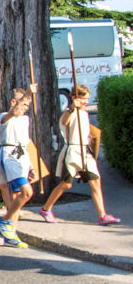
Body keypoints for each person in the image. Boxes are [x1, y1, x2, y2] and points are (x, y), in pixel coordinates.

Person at [39, 84, 120, 226]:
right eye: (83, 99)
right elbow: (64, 122)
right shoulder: (69, 112)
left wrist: (90, 137)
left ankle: (102, 215)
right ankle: (46, 209)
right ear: (75, 98)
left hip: (85, 152)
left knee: (95, 182)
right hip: (73, 152)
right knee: (66, 184)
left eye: (87, 99)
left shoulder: (84, 114)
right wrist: (72, 107)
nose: (85, 102)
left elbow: (83, 130)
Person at [0, 87, 36, 248]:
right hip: (10, 156)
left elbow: (25, 143)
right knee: (27, 192)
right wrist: (28, 93)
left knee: (17, 195)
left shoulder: (25, 120)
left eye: (27, 106)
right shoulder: (5, 117)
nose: (25, 109)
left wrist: (31, 166)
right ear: (14, 102)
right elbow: (14, 112)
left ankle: (11, 234)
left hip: (22, 157)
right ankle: (4, 221)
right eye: (23, 104)